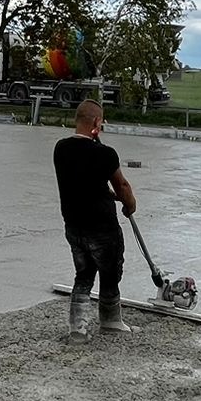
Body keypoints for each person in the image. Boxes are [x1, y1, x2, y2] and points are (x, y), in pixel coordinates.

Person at [54, 99, 136, 335]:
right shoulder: (105, 154)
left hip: (74, 226)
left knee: (83, 274)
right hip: (102, 227)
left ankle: (77, 328)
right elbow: (122, 185)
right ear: (97, 123)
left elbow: (84, 182)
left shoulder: (61, 149)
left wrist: (110, 195)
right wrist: (129, 204)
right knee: (111, 272)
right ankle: (110, 321)